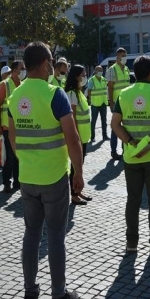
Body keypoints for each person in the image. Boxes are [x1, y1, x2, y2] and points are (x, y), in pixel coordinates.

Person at [8, 41, 83, 299]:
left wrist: (26, 160)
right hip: (53, 177)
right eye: (51, 60)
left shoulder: (15, 96)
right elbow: (73, 139)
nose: (53, 65)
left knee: (31, 234)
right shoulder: (55, 94)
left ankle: (30, 290)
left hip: (27, 177)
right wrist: (79, 172)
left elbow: (13, 138)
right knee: (54, 236)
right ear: (43, 64)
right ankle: (58, 294)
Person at [111, 55, 150, 256]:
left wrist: (130, 142)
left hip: (131, 157)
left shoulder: (123, 94)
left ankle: (131, 243)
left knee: (133, 200)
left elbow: (115, 125)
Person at [64, 65, 93, 205]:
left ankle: (78, 190)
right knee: (75, 166)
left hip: (84, 135)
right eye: (83, 74)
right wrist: (76, 137)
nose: (85, 76)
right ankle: (74, 194)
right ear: (76, 76)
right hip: (78, 136)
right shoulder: (71, 93)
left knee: (79, 165)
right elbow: (73, 117)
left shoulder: (79, 92)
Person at [0, 60, 24, 193]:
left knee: (19, 156)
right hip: (7, 127)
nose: (23, 71)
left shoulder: (23, 85)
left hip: (21, 127)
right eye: (20, 69)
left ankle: (18, 182)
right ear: (13, 70)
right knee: (9, 158)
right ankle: (7, 182)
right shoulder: (4, 85)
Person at [106, 48, 130, 160]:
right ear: (117, 57)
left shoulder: (127, 69)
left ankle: (125, 149)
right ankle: (113, 151)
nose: (124, 57)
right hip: (117, 103)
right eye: (122, 55)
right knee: (115, 127)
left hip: (127, 102)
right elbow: (110, 88)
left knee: (126, 126)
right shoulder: (112, 70)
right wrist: (111, 103)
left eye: (125, 55)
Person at [87, 65, 109, 142]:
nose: (100, 72)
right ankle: (92, 137)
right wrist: (90, 100)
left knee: (104, 121)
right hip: (95, 104)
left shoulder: (104, 80)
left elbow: (106, 90)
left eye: (101, 70)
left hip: (103, 103)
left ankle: (105, 136)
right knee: (93, 121)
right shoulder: (91, 80)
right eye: (99, 70)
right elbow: (89, 91)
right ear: (95, 71)